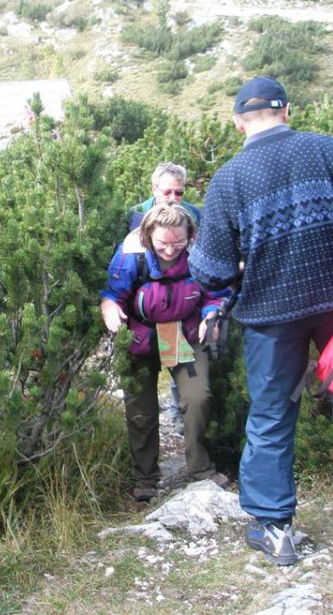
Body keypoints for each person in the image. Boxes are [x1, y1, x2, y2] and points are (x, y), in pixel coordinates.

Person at [188, 76, 333, 566]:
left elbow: (212, 270)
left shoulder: (229, 179)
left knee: (271, 416)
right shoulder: (327, 151)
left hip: (271, 316)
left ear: (239, 122)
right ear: (287, 111)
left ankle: (276, 530)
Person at [101, 203, 229, 503]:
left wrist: (212, 315)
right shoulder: (132, 254)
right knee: (141, 411)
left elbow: (216, 293)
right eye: (162, 244)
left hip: (183, 334)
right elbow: (112, 293)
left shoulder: (198, 254)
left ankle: (200, 468)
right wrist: (110, 309)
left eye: (178, 243)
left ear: (189, 236)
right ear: (148, 236)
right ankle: (145, 476)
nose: (170, 251)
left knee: (197, 398)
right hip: (139, 336)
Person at [127, 162, 203, 435]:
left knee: (192, 388)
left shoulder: (196, 217)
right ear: (154, 190)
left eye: (179, 193)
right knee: (140, 406)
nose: (173, 198)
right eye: (167, 192)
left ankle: (180, 420)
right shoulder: (134, 218)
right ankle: (145, 474)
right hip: (143, 324)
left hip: (183, 319)